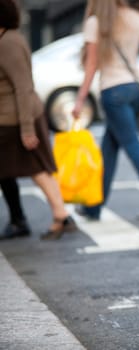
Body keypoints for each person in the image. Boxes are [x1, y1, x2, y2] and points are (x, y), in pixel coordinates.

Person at [72, 0, 139, 223]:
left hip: (113, 91)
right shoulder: (136, 18)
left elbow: (91, 65)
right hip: (133, 88)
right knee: (108, 150)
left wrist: (80, 100)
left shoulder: (95, 21)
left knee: (132, 145)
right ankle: (93, 206)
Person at [0, 0, 77, 241]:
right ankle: (59, 214)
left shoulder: (8, 43)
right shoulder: (9, 38)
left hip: (14, 119)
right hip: (15, 116)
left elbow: (22, 87)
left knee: (36, 168)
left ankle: (59, 214)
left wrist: (26, 129)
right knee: (36, 168)